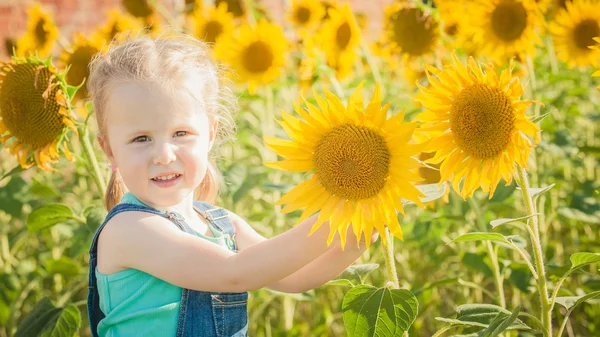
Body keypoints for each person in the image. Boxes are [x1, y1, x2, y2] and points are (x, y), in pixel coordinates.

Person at [85, 31, 378, 337]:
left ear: (210, 133)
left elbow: (292, 277)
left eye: (181, 133)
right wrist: (339, 211)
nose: (163, 154)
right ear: (109, 149)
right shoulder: (130, 230)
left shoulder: (221, 224)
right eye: (141, 138)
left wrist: (358, 234)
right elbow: (235, 273)